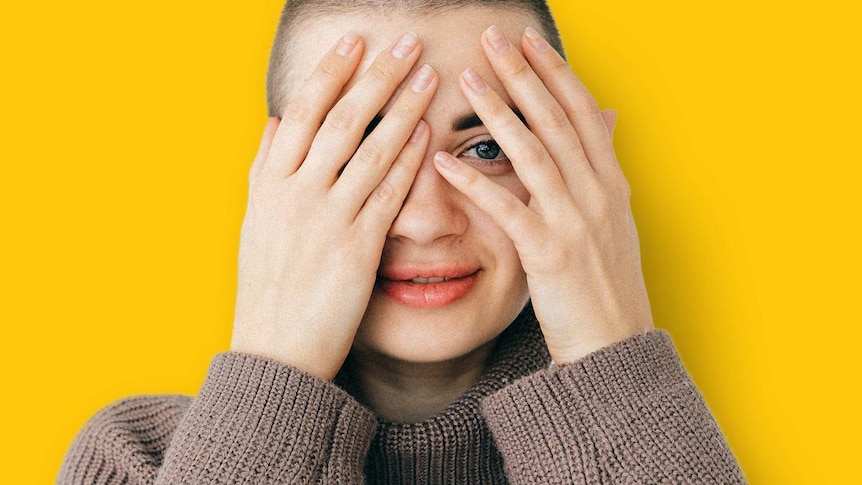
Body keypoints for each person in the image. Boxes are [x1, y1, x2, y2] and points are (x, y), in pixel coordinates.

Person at [58, 0, 747, 483]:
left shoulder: (671, 443)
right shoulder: (137, 458)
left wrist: (613, 361)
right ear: (278, 185)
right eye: (364, 152)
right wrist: (272, 378)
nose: (425, 219)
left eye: (485, 148)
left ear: (578, 165)